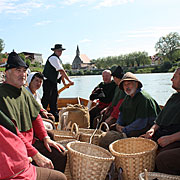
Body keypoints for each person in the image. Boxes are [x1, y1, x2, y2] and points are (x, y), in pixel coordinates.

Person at [0, 51, 67, 173]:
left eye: (24, 71)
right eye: (18, 70)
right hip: (16, 148)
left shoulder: (24, 91)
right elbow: (13, 132)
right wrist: (35, 154)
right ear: (7, 73)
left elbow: (36, 117)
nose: (23, 74)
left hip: (31, 141)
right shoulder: (2, 95)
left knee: (60, 154)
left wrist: (45, 137)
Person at [99, 72, 161, 149]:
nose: (127, 87)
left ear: (136, 84)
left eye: (129, 84)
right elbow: (121, 113)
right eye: (125, 85)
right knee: (112, 127)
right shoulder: (128, 97)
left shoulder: (143, 98)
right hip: (133, 124)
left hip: (147, 126)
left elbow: (141, 122)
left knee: (130, 134)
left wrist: (125, 129)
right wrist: (118, 124)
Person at [0, 110, 67, 180]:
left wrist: (45, 137)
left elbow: (34, 116)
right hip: (16, 168)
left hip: (25, 152)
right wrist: (34, 155)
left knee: (61, 155)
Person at [142, 68, 180, 175]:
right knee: (140, 143)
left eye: (175, 77)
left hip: (175, 138)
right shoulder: (174, 97)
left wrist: (171, 139)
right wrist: (151, 130)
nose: (171, 79)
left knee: (161, 159)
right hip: (164, 133)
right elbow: (158, 121)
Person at [41, 44, 74, 122]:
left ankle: (54, 115)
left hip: (53, 82)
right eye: (58, 50)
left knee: (54, 98)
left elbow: (61, 74)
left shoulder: (58, 59)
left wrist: (65, 83)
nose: (60, 52)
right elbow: (61, 70)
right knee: (47, 98)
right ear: (54, 51)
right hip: (48, 81)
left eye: (61, 51)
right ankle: (41, 114)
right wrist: (69, 81)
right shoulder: (53, 58)